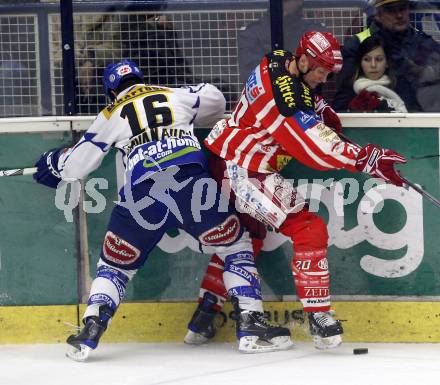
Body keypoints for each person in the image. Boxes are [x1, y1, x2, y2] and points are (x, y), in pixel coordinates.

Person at [32, 60, 293, 361]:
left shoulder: (110, 113)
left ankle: (90, 330)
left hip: (141, 195)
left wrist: (55, 162)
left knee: (115, 267)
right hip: (191, 184)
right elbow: (216, 101)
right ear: (142, 78)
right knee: (235, 246)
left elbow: (77, 165)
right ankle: (251, 328)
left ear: (109, 92)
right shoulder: (174, 95)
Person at [184, 31, 407, 350]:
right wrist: (365, 159)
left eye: (328, 72)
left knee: (246, 240)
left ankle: (203, 318)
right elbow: (312, 147)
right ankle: (319, 317)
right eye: (319, 70)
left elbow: (315, 80)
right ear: (302, 60)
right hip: (245, 168)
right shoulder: (285, 101)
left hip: (225, 156)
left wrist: (367, 33)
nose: (323, 78)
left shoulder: (278, 60)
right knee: (308, 227)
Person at [332, 0, 440, 112]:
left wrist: (427, 72)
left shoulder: (424, 43)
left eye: (402, 8)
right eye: (391, 10)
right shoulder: (358, 45)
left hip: (422, 117)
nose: (399, 15)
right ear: (378, 15)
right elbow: (344, 99)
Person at [237, 0, 328, 85]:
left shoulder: (315, 32)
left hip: (307, 95)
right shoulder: (253, 33)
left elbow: (324, 73)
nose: (285, 2)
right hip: (267, 95)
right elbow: (250, 74)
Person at [348, 35, 407, 112]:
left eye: (379, 59)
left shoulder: (402, 87)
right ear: (360, 63)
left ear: (387, 63)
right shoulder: (348, 91)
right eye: (367, 59)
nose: (373, 65)